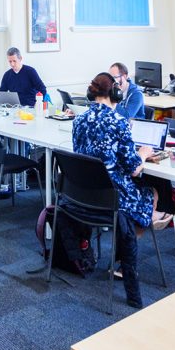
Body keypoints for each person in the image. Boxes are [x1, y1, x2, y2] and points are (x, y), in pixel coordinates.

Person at [71, 72, 167, 308]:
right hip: (113, 200)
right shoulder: (119, 122)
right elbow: (134, 170)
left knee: (138, 203)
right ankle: (126, 256)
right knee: (151, 194)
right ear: (115, 94)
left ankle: (121, 253)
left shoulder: (78, 120)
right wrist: (143, 154)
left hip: (84, 197)